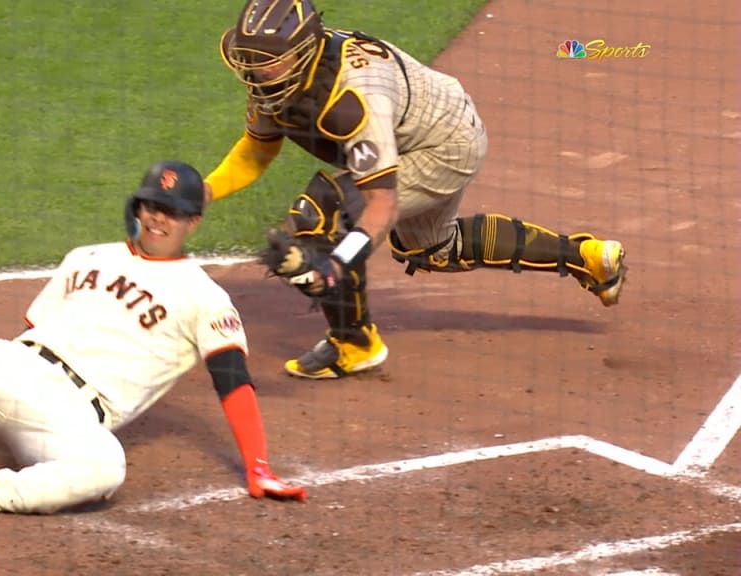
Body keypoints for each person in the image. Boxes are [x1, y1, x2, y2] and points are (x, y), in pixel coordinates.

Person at [0, 160, 307, 521]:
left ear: (193, 221)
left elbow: (234, 380)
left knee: (104, 470)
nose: (157, 217)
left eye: (170, 211)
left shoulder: (205, 295)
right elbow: (30, 332)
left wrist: (258, 467)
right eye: (151, 205)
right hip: (13, 364)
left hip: (74, 416)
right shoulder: (85, 255)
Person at [203, 0, 627, 379]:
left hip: (445, 144)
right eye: (250, 58)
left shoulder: (352, 97)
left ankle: (355, 345)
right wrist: (203, 193)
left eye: (267, 61)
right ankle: (587, 257)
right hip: (426, 128)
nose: (254, 69)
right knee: (432, 250)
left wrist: (336, 263)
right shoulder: (279, 82)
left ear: (299, 55)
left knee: (321, 214)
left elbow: (381, 206)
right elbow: (256, 151)